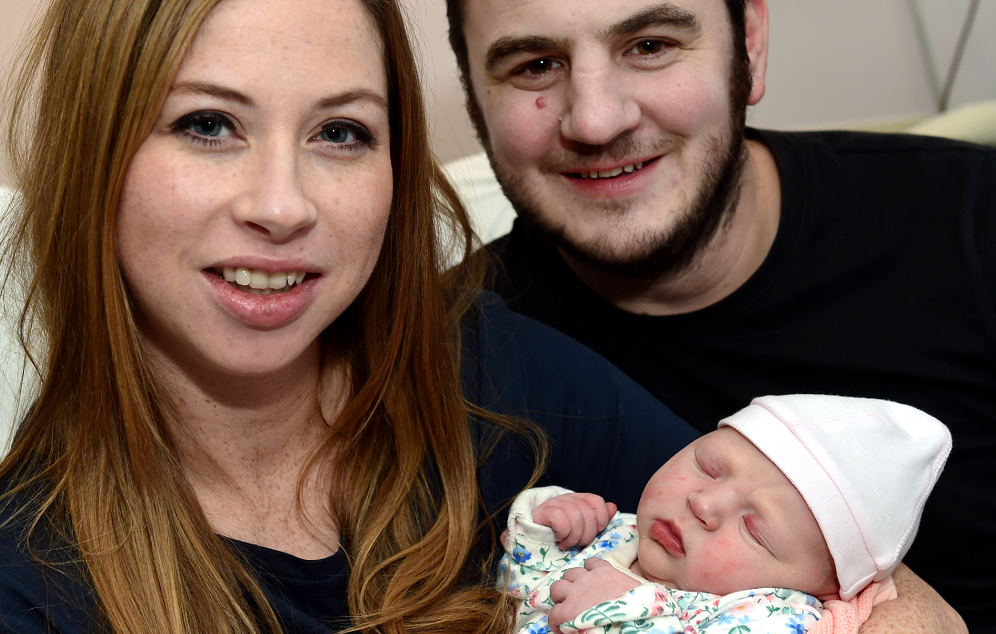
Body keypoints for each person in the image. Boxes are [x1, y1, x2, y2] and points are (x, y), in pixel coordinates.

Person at [0, 0, 700, 632]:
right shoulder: (28, 583)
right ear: (93, 157)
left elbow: (788, 552)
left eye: (339, 132)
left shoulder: (488, 366)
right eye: (207, 124)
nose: (282, 206)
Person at [443, 0, 994, 629]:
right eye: (535, 64)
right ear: (474, 101)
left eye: (650, 46)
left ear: (751, 45)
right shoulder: (445, 354)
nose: (596, 122)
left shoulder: (971, 220)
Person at [502, 395, 952, 634]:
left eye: (754, 530)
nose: (703, 503)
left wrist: (625, 611)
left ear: (823, 588)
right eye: (707, 466)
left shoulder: (772, 615)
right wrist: (549, 524)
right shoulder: (618, 532)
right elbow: (517, 582)